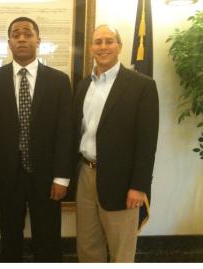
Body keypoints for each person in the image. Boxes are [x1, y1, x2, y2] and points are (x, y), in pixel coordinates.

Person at [0, 17, 72, 262]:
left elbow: (66, 131)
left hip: (47, 175)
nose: (22, 38)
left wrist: (62, 176)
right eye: (16, 34)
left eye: (27, 33)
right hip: (6, 174)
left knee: (48, 238)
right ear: (9, 42)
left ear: (38, 40)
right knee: (10, 238)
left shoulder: (59, 81)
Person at [72, 24, 159, 262]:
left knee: (121, 250)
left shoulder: (142, 86)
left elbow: (147, 141)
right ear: (91, 48)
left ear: (119, 46)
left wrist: (139, 186)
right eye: (98, 42)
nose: (103, 46)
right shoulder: (82, 86)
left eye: (109, 41)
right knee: (88, 247)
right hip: (86, 175)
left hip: (122, 182)